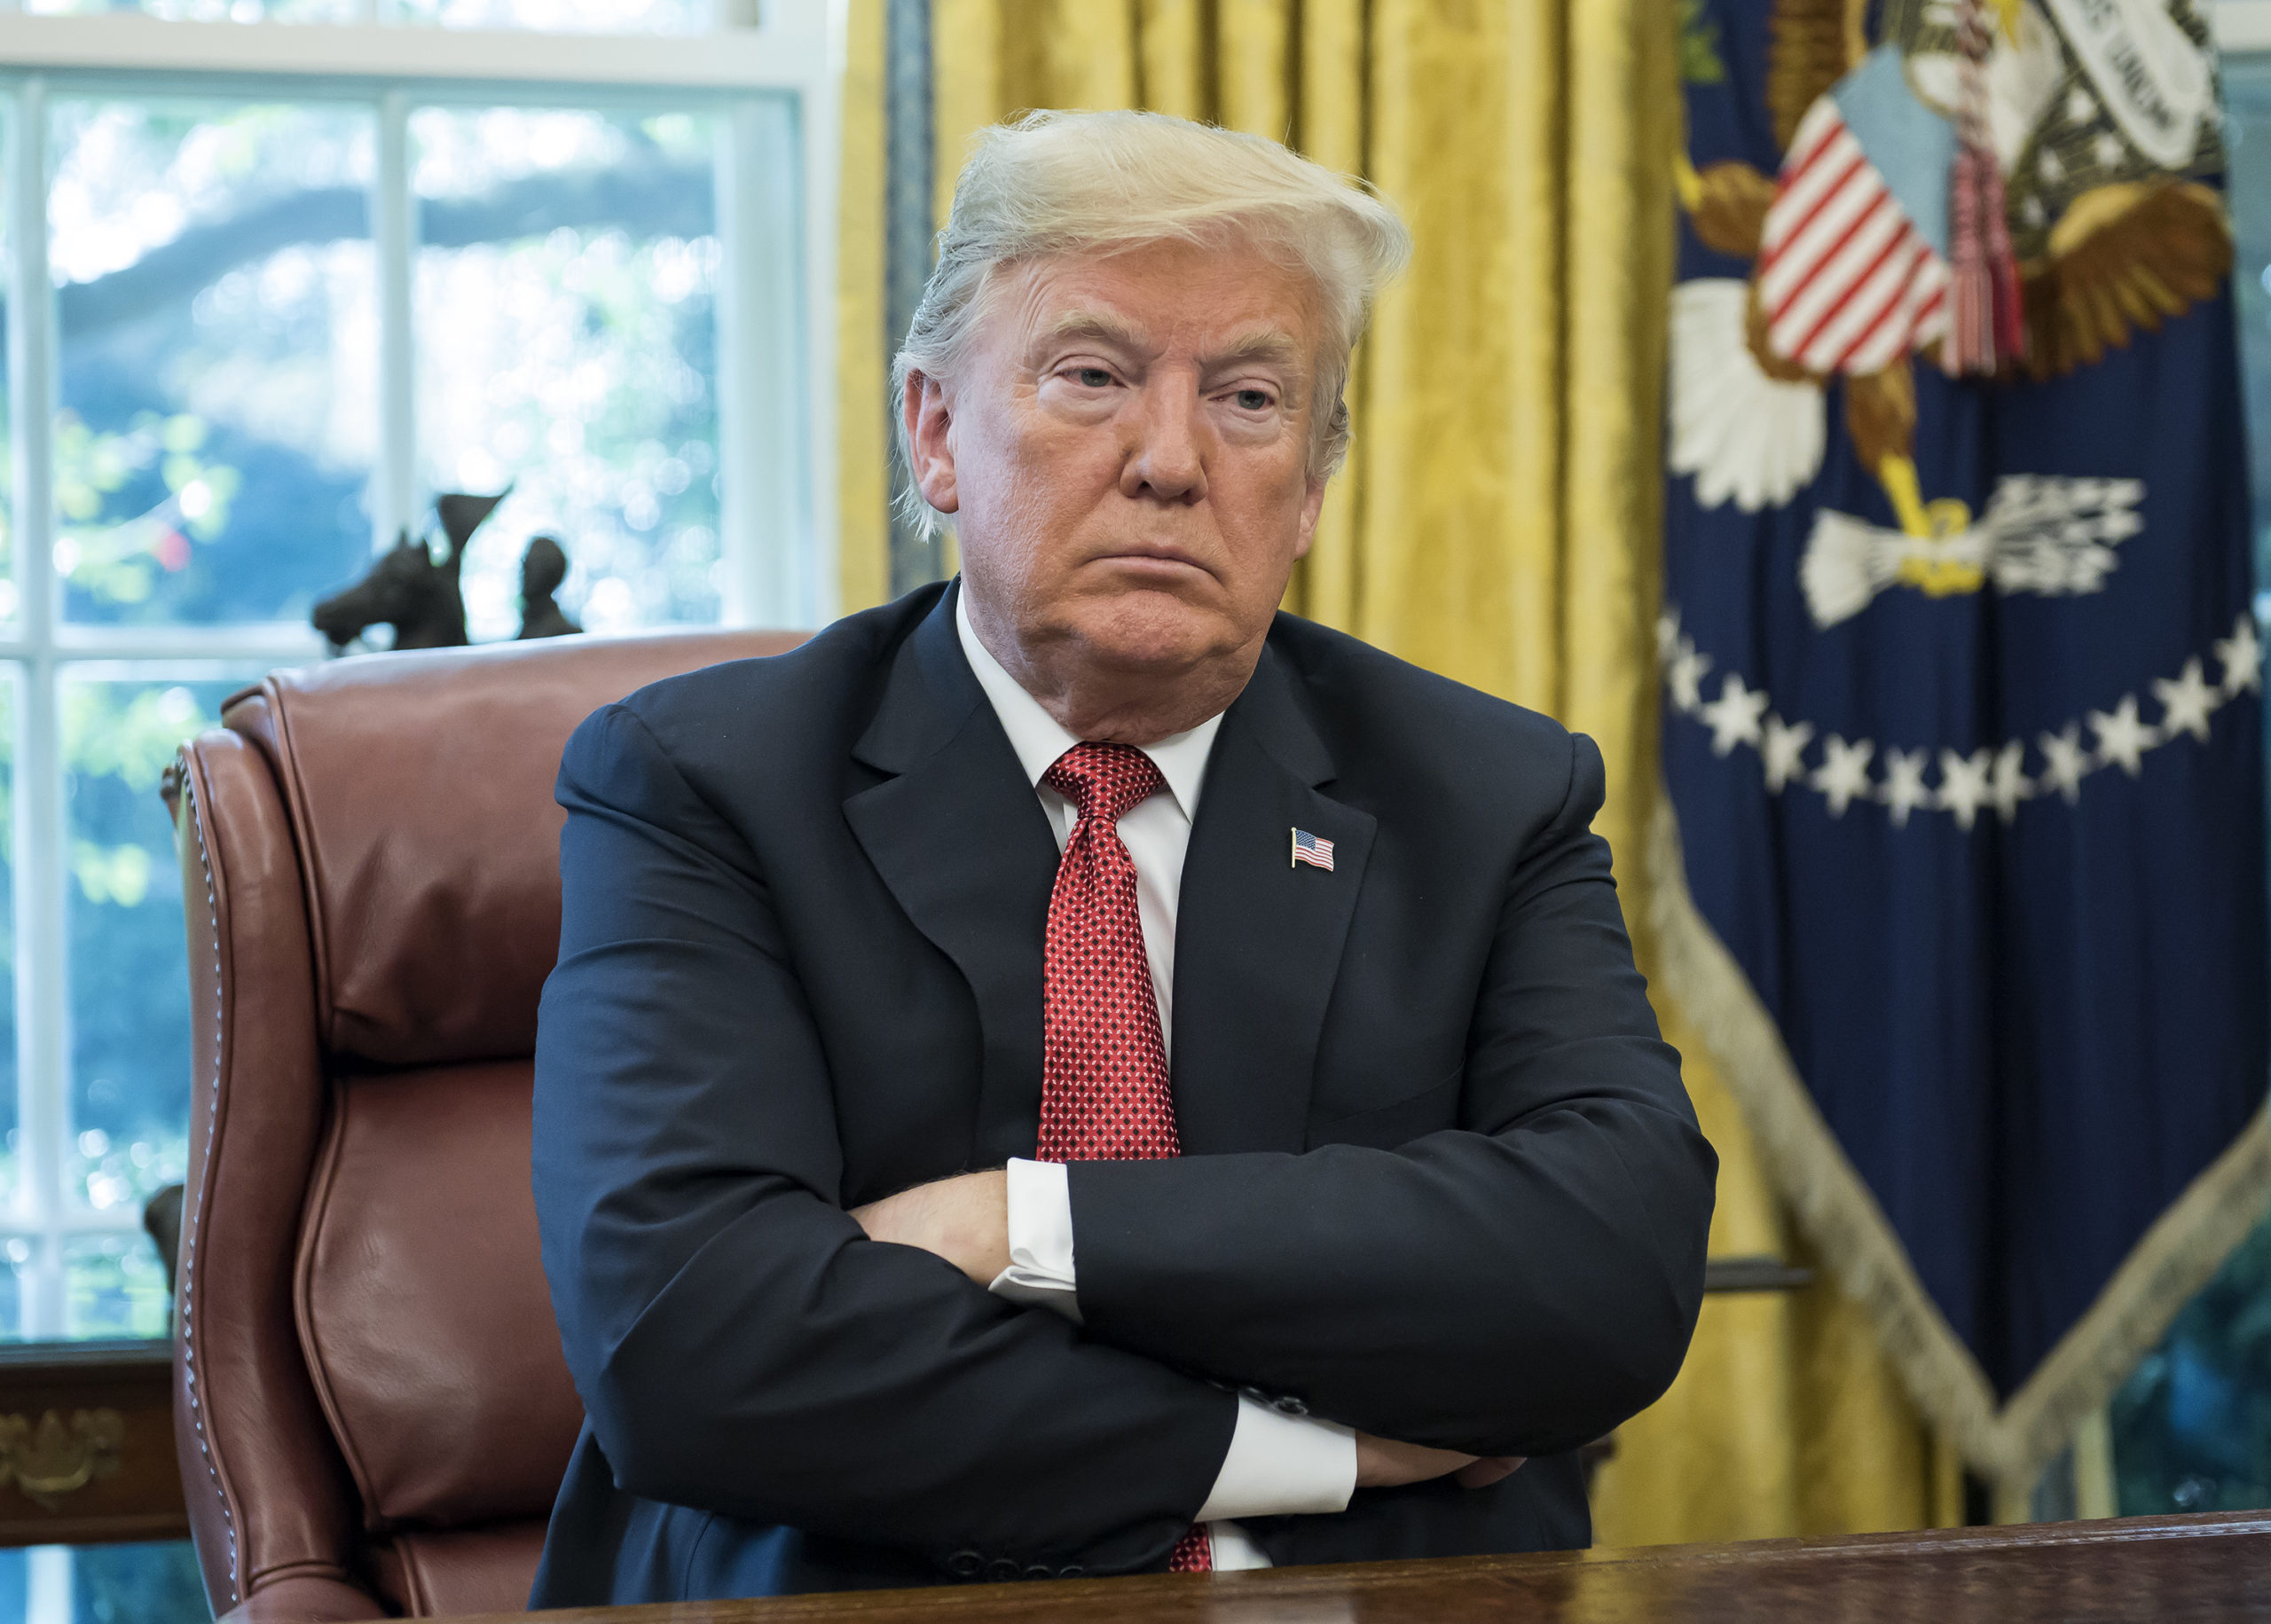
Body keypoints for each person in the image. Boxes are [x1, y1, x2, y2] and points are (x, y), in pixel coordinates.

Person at [528, 108, 1716, 1604]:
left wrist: (1019, 1223)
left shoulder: (1486, 796)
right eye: (1092, 377)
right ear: (938, 429)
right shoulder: (707, 788)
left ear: (1317, 483)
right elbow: (692, 1346)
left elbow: (1609, 1277)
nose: (1170, 458)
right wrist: (1315, 1450)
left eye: (1251, 398)